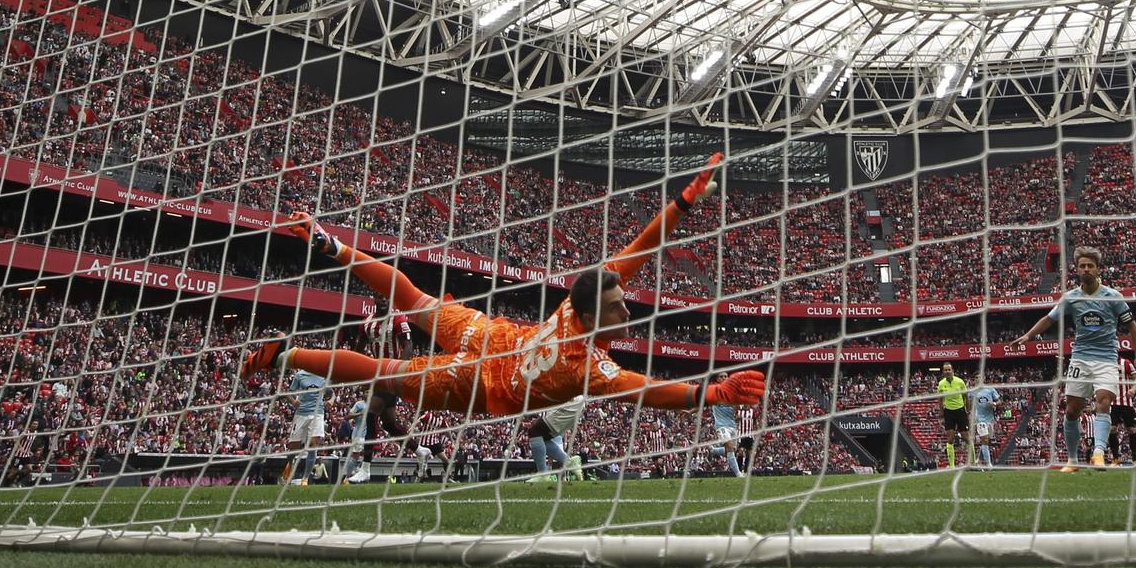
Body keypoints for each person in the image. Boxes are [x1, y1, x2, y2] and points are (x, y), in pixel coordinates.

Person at [241, 154, 766, 422]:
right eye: (616, 306)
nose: (626, 308)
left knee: (415, 299)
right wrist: (710, 394)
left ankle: (332, 247)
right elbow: (648, 392)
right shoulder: (590, 368)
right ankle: (285, 356)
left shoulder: (573, 307)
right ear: (589, 318)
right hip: (479, 381)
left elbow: (637, 252)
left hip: (498, 339)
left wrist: (682, 205)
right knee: (385, 371)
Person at [1011, 246, 1136, 472]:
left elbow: (1132, 326)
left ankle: (1098, 453)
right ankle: (1072, 460)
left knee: (1104, 402)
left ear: (1098, 269)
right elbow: (1049, 319)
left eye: (1090, 266)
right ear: (1077, 270)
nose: (1086, 269)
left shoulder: (1113, 296)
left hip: (1107, 358)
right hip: (1080, 359)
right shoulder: (1071, 298)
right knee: (1071, 411)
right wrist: (1028, 335)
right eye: (1082, 266)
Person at [281, 366, 330, 485]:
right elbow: (288, 393)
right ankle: (289, 464)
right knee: (294, 446)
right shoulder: (300, 375)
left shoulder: (323, 375)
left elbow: (331, 393)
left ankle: (305, 479)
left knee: (313, 445)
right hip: (301, 413)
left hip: (317, 413)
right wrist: (293, 401)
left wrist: (331, 400)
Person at [934, 362, 970, 468]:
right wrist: (941, 412)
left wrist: (968, 410)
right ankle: (952, 466)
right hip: (948, 412)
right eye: (945, 370)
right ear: (943, 372)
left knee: (966, 437)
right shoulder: (941, 384)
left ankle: (973, 463)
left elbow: (966, 396)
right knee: (950, 438)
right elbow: (940, 399)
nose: (947, 372)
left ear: (952, 371)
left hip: (960, 411)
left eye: (949, 370)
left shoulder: (960, 382)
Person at [1108, 356, 1136, 466]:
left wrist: (1133, 389)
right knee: (1112, 429)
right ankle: (1116, 459)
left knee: (1131, 429)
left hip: (1126, 402)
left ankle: (1135, 459)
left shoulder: (1126, 362)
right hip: (1112, 402)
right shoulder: (1105, 363)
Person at [971, 377, 1002, 468]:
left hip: (990, 419)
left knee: (987, 441)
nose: (978, 379)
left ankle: (978, 460)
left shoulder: (990, 390)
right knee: (984, 440)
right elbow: (968, 403)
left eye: (980, 377)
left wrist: (994, 404)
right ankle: (989, 464)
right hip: (979, 419)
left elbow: (999, 401)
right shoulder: (973, 391)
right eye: (976, 378)